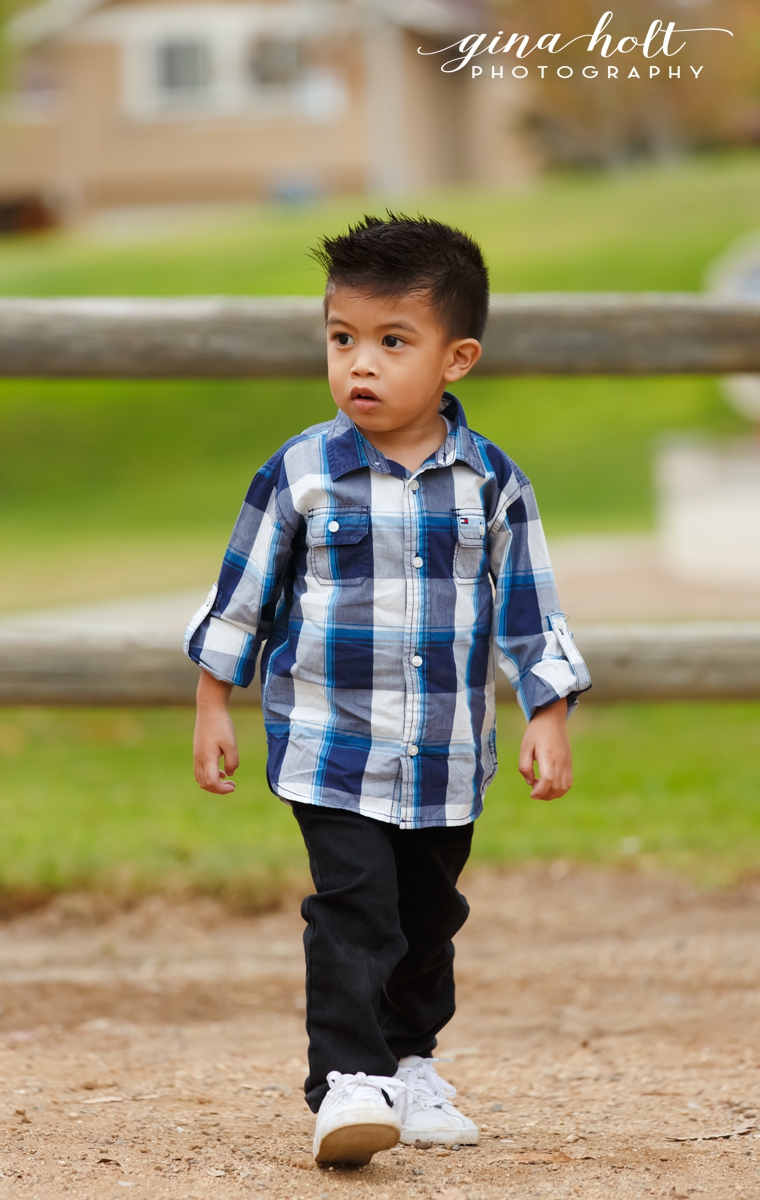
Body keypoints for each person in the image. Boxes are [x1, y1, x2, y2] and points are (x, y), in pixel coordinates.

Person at [185, 214, 591, 1167]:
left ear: (457, 359)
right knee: (354, 905)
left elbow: (531, 610)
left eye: (391, 343)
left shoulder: (492, 484)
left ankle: (410, 1064)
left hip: (447, 753)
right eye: (342, 340)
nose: (358, 366)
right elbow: (239, 597)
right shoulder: (300, 473)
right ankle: (345, 1083)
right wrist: (213, 704)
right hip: (329, 742)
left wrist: (548, 712)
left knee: (426, 919)